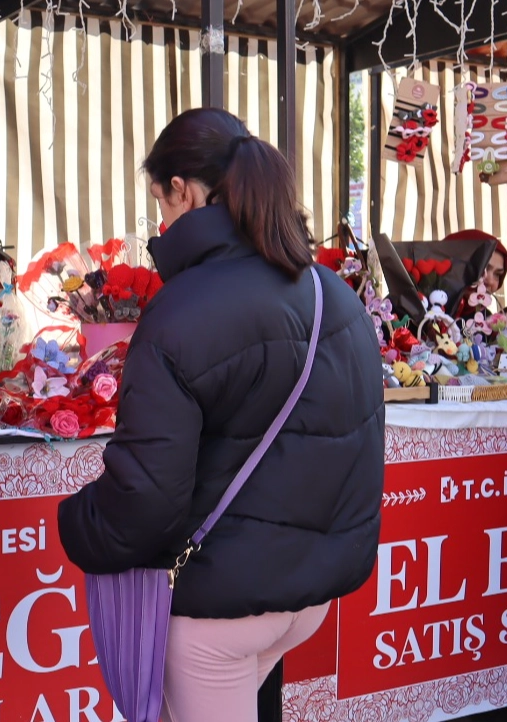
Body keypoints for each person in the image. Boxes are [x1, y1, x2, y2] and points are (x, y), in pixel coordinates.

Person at [57, 108, 384, 722]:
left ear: (182, 189)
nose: (160, 221)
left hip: (219, 612)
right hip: (306, 598)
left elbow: (144, 504)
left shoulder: (181, 312)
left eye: (160, 200)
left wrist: (76, 521)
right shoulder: (333, 294)